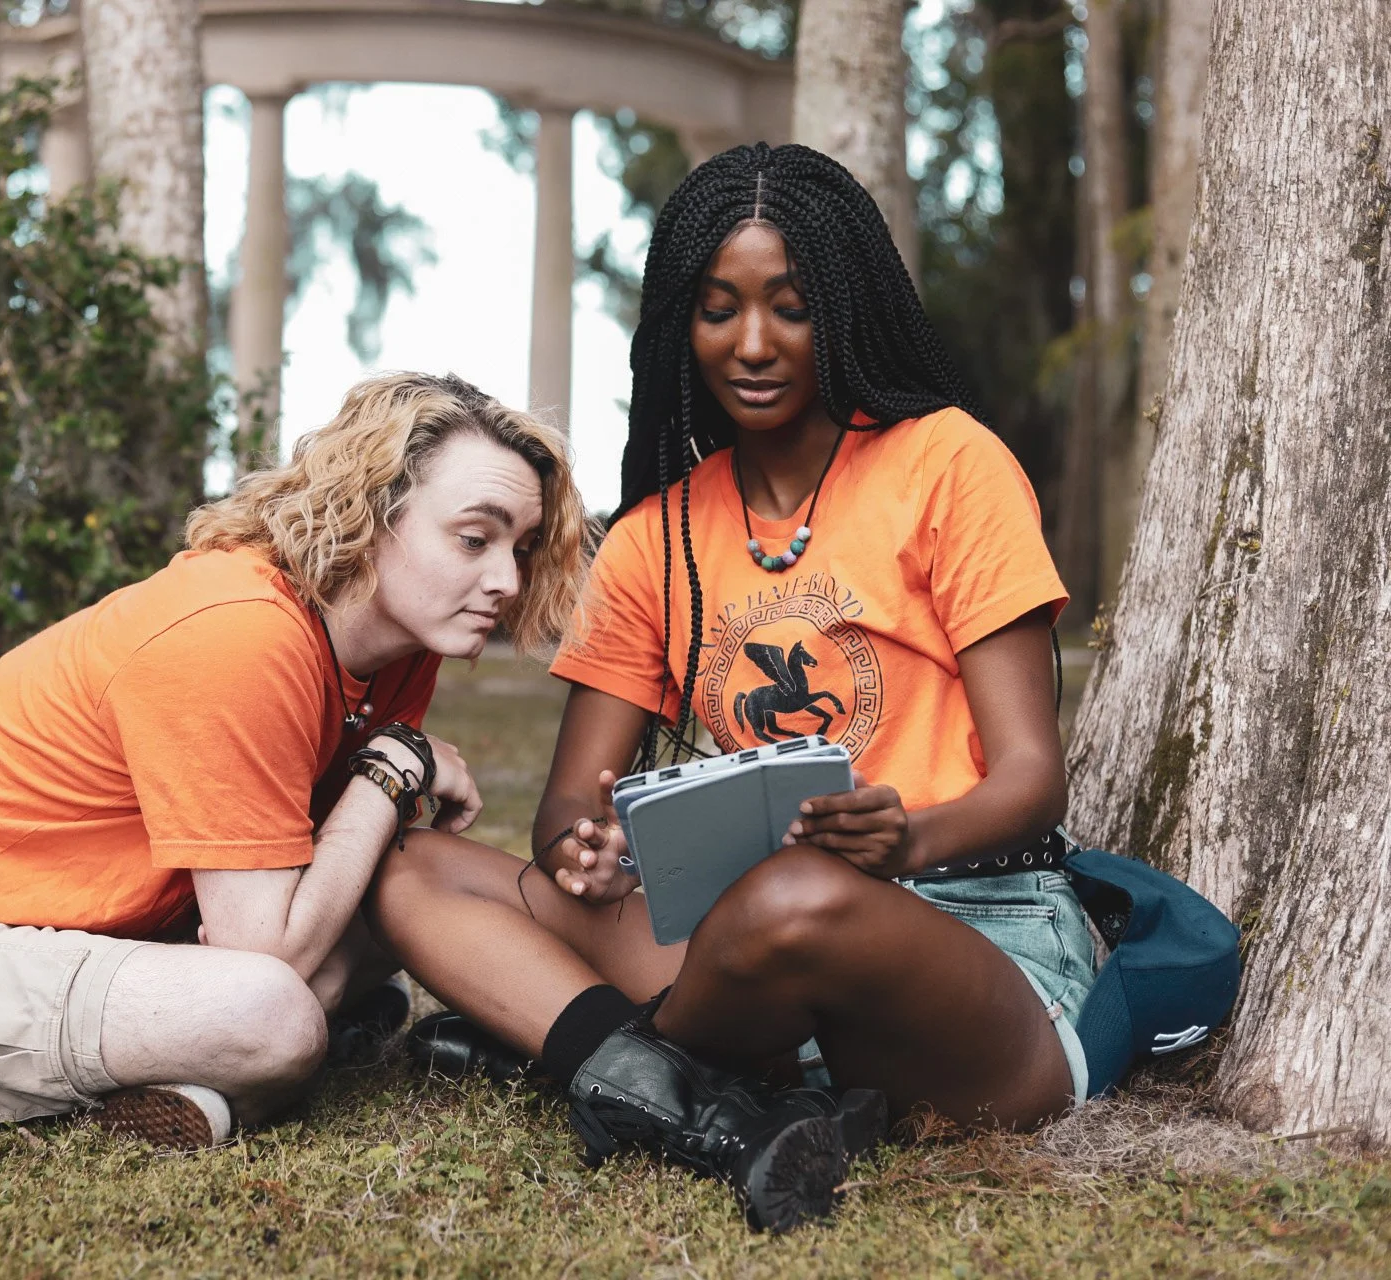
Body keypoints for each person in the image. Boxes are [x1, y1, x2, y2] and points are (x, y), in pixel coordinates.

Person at [371, 144, 1097, 1232]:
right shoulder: (657, 535)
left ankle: (596, 1055)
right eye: (718, 310)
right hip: (734, 939)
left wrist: (906, 841)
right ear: (679, 323)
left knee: (795, 895)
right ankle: (705, 1090)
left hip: (974, 926)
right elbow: (572, 803)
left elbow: (1033, 776)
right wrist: (586, 844)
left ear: (844, 311)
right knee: (416, 866)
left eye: (790, 308)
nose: (752, 344)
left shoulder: (949, 464)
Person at [0, 372, 591, 1145]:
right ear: (370, 517)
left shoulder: (397, 650)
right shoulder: (239, 633)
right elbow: (269, 954)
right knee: (275, 1010)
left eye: (519, 548)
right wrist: (392, 768)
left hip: (46, 936)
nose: (508, 584)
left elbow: (305, 876)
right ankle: (248, 1066)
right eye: (474, 540)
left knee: (401, 888)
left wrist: (382, 781)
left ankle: (204, 1087)